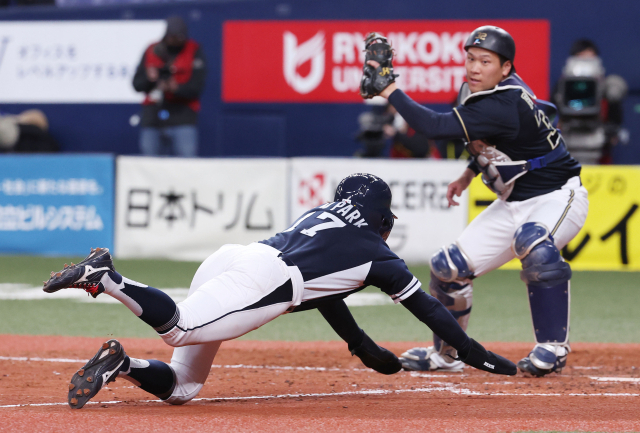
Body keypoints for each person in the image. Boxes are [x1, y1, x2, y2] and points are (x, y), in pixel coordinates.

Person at [43, 173, 516, 409]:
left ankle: (122, 364)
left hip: (233, 257)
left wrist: (363, 347)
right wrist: (475, 354)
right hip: (266, 279)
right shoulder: (378, 251)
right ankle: (107, 277)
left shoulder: (320, 216)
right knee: (180, 328)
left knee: (185, 387)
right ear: (384, 217)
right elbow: (429, 308)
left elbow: (329, 293)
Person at [359, 28, 588, 376]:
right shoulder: (482, 93)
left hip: (558, 196)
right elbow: (491, 140)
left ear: (506, 67)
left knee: (535, 244)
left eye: (486, 61)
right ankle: (446, 355)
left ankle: (552, 348)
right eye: (470, 58)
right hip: (514, 201)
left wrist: (389, 88)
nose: (475, 67)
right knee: (447, 268)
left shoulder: (503, 102)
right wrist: (468, 174)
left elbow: (434, 127)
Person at [132, 16, 206, 157]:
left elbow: (197, 87)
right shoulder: (152, 50)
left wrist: (176, 88)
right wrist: (150, 79)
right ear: (166, 35)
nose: (176, 41)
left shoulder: (194, 50)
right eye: (172, 37)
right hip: (153, 117)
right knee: (150, 166)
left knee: (186, 165)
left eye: (179, 37)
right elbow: (137, 85)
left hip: (183, 116)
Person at [553, 39, 628, 164]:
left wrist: (611, 131)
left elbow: (615, 116)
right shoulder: (561, 88)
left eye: (589, 58)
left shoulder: (606, 88)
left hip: (598, 145)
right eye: (581, 58)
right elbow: (552, 113)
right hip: (568, 142)